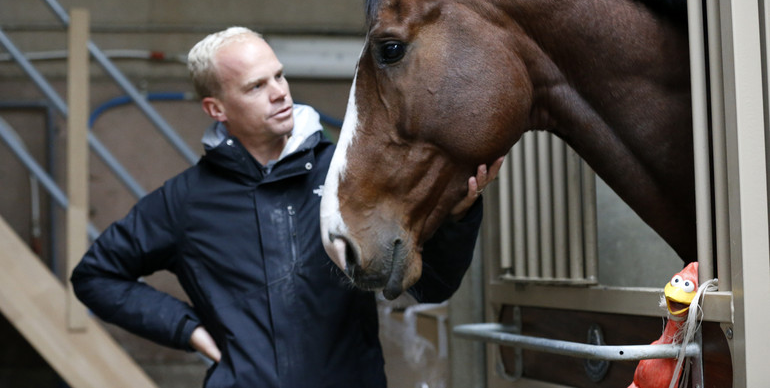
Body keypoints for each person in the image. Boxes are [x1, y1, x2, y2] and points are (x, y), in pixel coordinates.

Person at [71, 27, 501, 388]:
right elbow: (95, 276)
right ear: (216, 108)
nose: (279, 93)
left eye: (278, 76)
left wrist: (457, 217)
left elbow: (432, 287)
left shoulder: (347, 175)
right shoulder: (186, 201)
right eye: (256, 86)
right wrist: (189, 330)